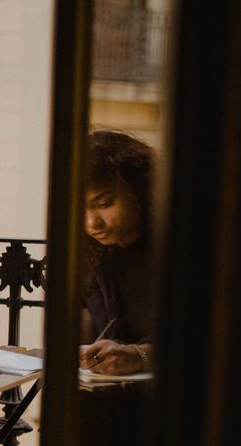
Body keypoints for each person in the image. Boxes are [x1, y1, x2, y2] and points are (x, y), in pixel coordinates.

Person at [78, 130, 156, 376]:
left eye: (104, 204)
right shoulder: (91, 255)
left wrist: (141, 355)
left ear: (139, 192)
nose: (92, 223)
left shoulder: (178, 249)